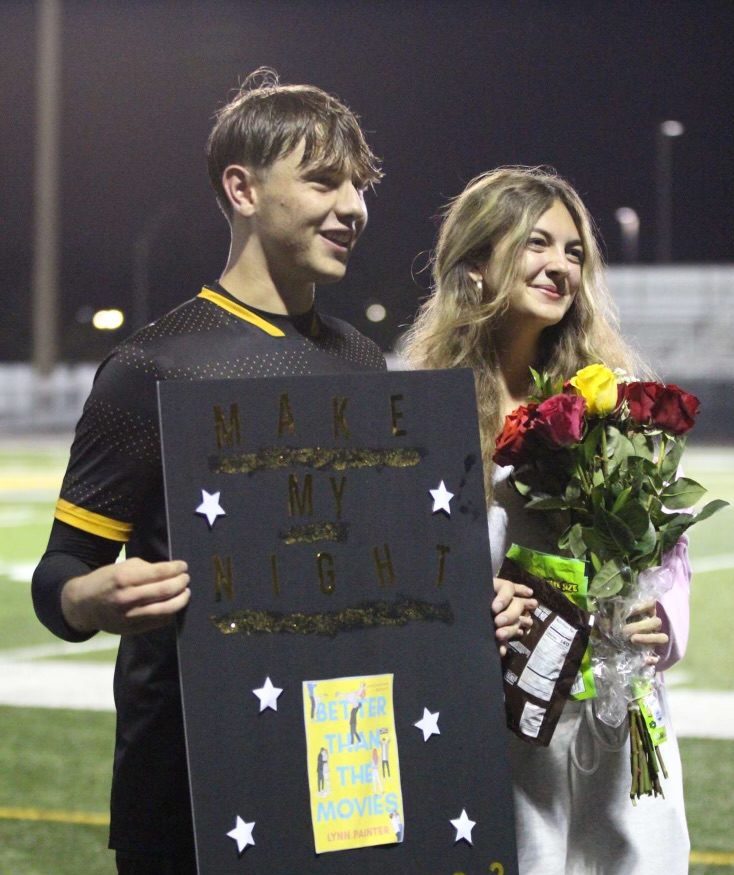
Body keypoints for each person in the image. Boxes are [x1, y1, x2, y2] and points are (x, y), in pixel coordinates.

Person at [31, 69, 385, 874]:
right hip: (190, 781)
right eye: (324, 180)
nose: (353, 207)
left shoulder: (364, 361)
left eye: (359, 185)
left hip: (342, 762)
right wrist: (91, 598)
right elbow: (60, 573)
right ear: (243, 188)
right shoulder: (153, 363)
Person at [401, 166, 691, 874]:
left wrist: (662, 615)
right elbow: (400, 567)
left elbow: (666, 543)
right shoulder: (418, 409)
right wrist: (463, 605)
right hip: (503, 724)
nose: (561, 266)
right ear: (475, 261)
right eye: (538, 244)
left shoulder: (608, 394)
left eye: (573, 251)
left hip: (619, 723)